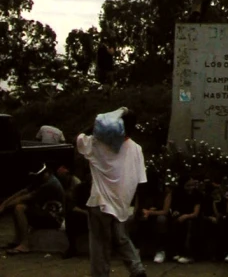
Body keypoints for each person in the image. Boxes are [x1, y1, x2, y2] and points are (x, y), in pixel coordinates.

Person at [77, 108, 147, 277]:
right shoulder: (136, 148)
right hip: (121, 204)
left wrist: (98, 121)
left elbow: (79, 138)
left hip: (99, 203)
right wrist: (139, 207)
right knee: (121, 239)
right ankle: (137, 269)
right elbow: (142, 182)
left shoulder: (97, 143)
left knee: (99, 245)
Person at [0, 162, 65, 255]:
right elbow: (22, 191)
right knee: (17, 206)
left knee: (19, 208)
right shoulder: (41, 180)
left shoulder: (50, 184)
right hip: (45, 211)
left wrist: (5, 207)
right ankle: (18, 240)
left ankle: (25, 244)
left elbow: (26, 196)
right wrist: (4, 204)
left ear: (46, 173)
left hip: (54, 217)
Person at [130, 170, 171, 264]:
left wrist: (151, 212)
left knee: (161, 220)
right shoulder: (141, 190)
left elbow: (165, 211)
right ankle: (136, 248)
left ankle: (160, 250)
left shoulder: (165, 192)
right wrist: (142, 212)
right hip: (144, 214)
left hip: (158, 215)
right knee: (133, 219)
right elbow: (137, 207)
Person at [56, 165, 89, 259]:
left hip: (99, 213)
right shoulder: (80, 188)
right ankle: (72, 247)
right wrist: (85, 212)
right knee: (70, 217)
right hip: (85, 214)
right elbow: (73, 206)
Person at [169, 176, 202, 263]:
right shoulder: (178, 194)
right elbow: (175, 207)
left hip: (193, 218)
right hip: (181, 216)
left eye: (192, 185)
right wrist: (175, 212)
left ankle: (189, 254)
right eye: (188, 185)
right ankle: (176, 251)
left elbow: (196, 213)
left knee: (189, 225)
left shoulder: (197, 195)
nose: (191, 188)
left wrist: (186, 216)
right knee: (174, 224)